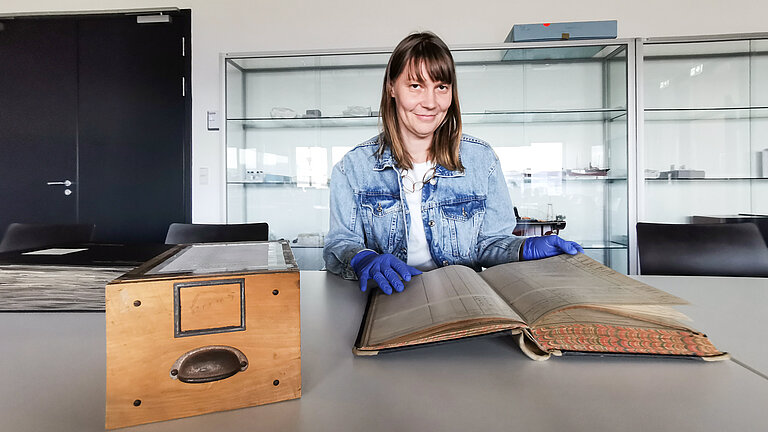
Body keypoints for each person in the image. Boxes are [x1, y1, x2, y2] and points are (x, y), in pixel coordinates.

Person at [323, 32, 583, 295]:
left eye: (441, 87)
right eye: (415, 86)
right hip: (386, 300)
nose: (430, 103)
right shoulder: (353, 168)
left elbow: (488, 244)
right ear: (392, 88)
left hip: (463, 302)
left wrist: (522, 247)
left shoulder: (482, 160)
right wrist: (363, 258)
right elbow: (341, 243)